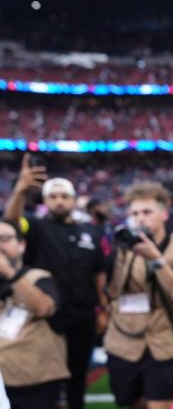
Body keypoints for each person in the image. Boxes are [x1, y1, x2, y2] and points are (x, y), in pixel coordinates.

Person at [3, 155, 109, 409]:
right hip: (46, 316)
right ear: (45, 201)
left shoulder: (91, 232)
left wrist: (103, 310)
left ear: (73, 200)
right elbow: (10, 224)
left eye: (64, 196)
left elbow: (99, 273)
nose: (59, 201)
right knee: (46, 377)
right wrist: (20, 190)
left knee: (78, 375)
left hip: (83, 314)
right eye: (53, 196)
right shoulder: (37, 228)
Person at [104, 182, 173, 409]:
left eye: (147, 212)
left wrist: (155, 258)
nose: (140, 219)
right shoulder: (121, 248)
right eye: (134, 213)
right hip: (122, 340)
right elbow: (111, 291)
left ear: (164, 214)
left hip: (160, 340)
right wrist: (123, 253)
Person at [0, 218, 69, 409]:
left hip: (34, 379)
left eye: (5, 239)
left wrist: (9, 272)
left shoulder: (39, 276)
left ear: (21, 245)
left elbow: (44, 307)